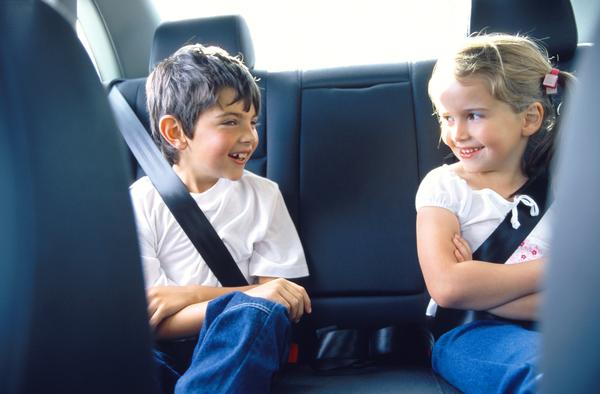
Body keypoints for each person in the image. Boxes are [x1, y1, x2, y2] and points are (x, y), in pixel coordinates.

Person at [129, 44, 311, 393]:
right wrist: (248, 294)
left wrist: (186, 295)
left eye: (252, 121)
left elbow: (280, 301)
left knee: (255, 317)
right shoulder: (141, 202)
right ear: (175, 132)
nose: (250, 136)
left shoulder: (264, 196)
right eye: (230, 121)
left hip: (237, 343)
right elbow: (152, 320)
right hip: (162, 353)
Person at [415, 34, 573, 393]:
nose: (456, 134)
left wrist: (484, 285)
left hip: (569, 325)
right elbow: (449, 287)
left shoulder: (566, 186)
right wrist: (558, 267)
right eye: (447, 117)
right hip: (473, 332)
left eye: (473, 115)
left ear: (530, 118)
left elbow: (582, 293)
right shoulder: (444, 186)